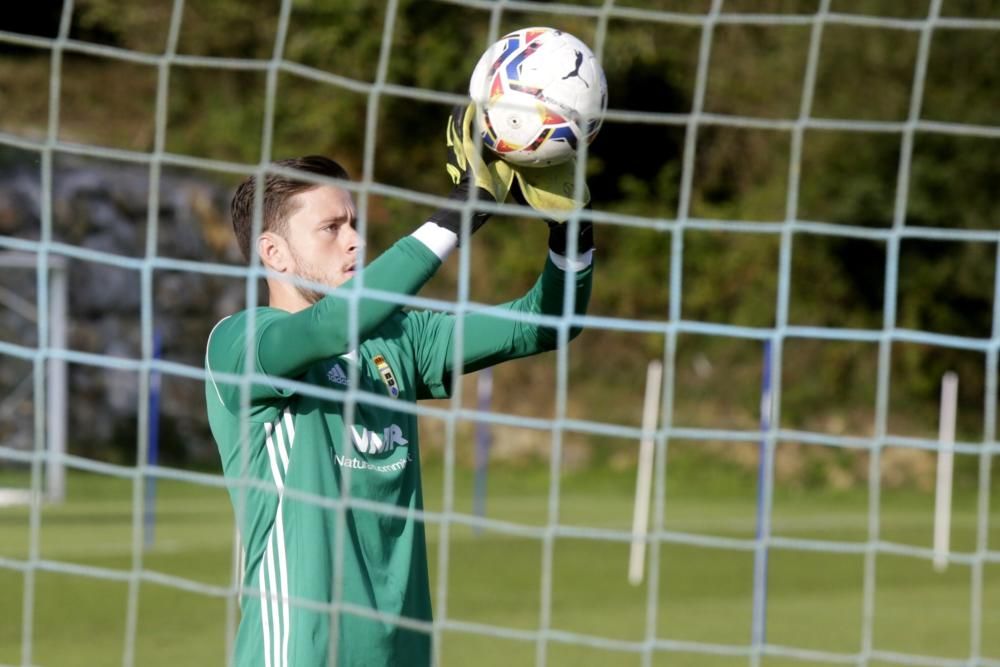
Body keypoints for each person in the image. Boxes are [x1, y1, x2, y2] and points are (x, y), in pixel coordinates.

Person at [204, 104, 594, 666]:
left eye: (355, 223)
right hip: (301, 653)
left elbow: (548, 323)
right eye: (331, 228)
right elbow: (330, 326)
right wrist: (463, 211)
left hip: (405, 652)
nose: (355, 241)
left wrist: (572, 228)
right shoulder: (242, 344)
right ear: (274, 252)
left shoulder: (397, 338)